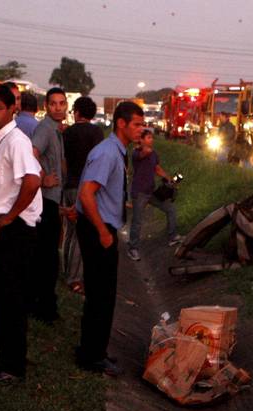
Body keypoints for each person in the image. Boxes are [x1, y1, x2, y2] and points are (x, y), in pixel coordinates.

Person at [75, 101, 145, 376]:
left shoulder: (116, 151)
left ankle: (94, 350)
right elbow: (86, 194)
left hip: (100, 225)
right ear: (121, 124)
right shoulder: (107, 153)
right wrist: (103, 232)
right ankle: (91, 356)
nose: (141, 129)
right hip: (98, 229)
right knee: (100, 295)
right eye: (137, 124)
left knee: (101, 294)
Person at [0, 83, 43, 382]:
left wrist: (9, 217)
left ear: (11, 109)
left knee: (11, 301)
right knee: (1, 300)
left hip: (15, 232)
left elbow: (33, 181)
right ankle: (6, 361)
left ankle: (12, 368)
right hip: (2, 229)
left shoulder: (15, 141)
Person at [29, 87, 68, 323]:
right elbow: (31, 152)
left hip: (53, 199)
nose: (58, 107)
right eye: (53, 103)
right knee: (47, 257)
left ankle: (43, 304)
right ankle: (44, 309)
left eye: (61, 103)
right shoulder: (45, 129)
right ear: (46, 106)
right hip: (45, 200)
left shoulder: (56, 129)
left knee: (47, 256)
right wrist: (43, 178)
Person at [62, 96, 105, 293]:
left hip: (68, 185)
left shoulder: (67, 132)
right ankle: (74, 279)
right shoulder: (96, 133)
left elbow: (63, 160)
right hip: (86, 188)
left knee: (70, 233)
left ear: (77, 112)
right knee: (82, 235)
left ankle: (66, 271)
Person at [128, 128, 181, 261]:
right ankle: (133, 249)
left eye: (152, 138)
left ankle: (173, 236)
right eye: (148, 138)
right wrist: (142, 146)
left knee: (170, 209)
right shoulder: (136, 152)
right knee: (137, 221)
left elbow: (157, 168)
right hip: (139, 192)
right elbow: (142, 155)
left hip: (151, 191)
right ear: (141, 140)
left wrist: (169, 179)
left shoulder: (153, 154)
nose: (151, 140)